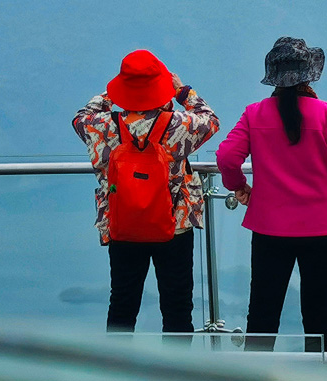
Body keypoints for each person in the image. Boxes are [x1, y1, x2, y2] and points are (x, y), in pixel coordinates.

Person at [216, 37, 327, 353]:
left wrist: (238, 186)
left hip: (270, 227)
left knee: (263, 310)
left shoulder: (254, 114)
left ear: (273, 77)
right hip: (323, 226)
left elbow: (227, 157)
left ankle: (256, 379)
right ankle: (318, 378)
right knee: (319, 310)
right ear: (309, 75)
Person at [73, 48, 219, 334]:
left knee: (122, 305)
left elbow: (80, 117)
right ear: (160, 88)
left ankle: (118, 363)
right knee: (177, 307)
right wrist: (182, 92)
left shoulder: (101, 126)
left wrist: (111, 93)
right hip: (174, 225)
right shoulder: (179, 125)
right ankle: (175, 364)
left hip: (123, 223)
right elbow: (210, 119)